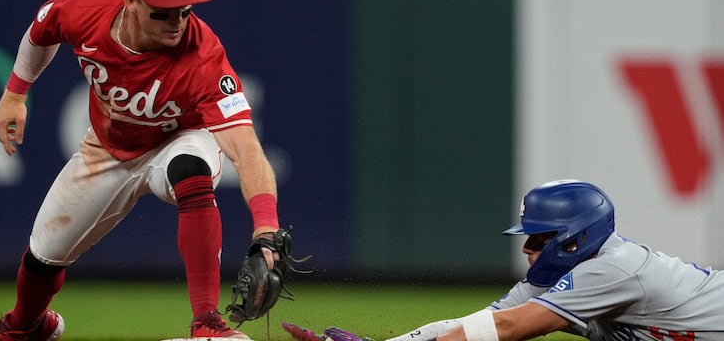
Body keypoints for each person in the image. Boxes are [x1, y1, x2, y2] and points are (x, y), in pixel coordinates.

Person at [0, 0, 285, 341]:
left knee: (189, 168)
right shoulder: (88, 6)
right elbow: (42, 31)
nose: (176, 22)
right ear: (131, 2)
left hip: (179, 137)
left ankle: (207, 323)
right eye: (162, 11)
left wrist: (266, 227)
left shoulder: (204, 56)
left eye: (184, 9)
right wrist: (15, 93)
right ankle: (26, 325)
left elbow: (245, 149)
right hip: (106, 147)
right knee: (44, 256)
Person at [284, 179, 724, 341]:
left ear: (575, 240)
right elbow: (480, 325)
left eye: (538, 237)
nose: (526, 248)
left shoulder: (614, 268)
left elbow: (509, 329)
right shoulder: (562, 273)